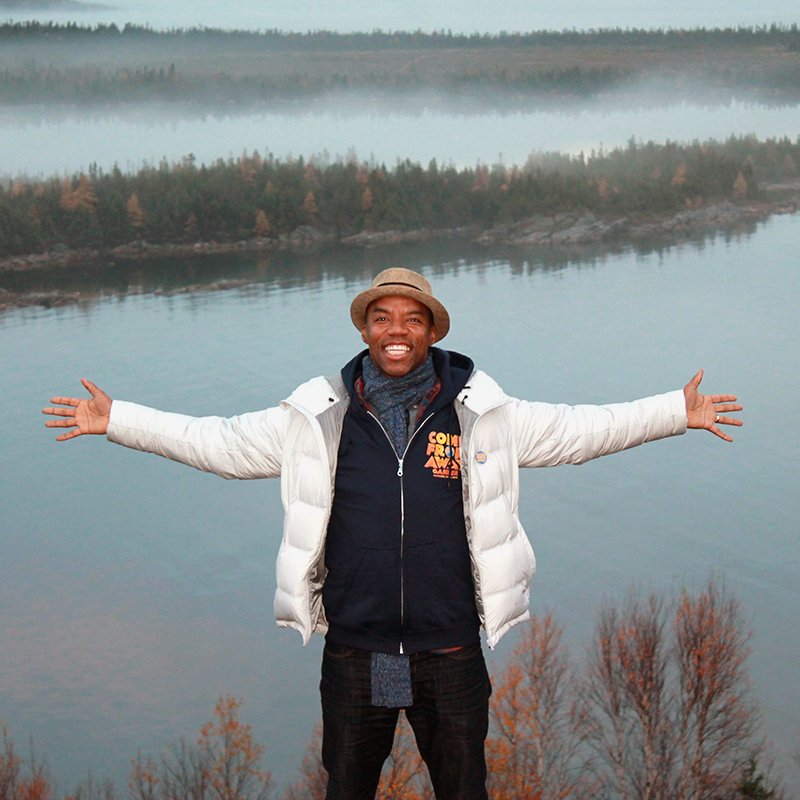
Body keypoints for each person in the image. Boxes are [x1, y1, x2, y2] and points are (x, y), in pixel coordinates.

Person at [42, 267, 743, 800]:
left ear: (432, 331)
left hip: (449, 653)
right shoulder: (318, 418)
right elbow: (219, 443)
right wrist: (120, 420)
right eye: (382, 318)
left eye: (411, 318)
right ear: (365, 331)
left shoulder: (482, 416)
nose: (396, 330)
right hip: (359, 654)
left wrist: (673, 412)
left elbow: (581, 430)